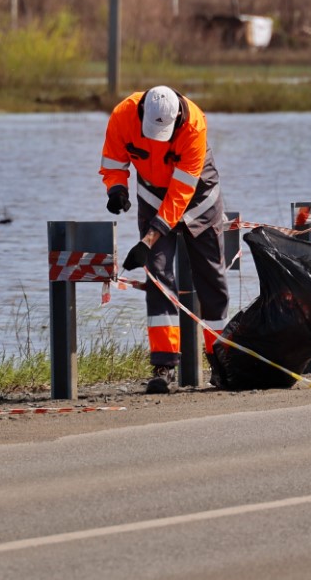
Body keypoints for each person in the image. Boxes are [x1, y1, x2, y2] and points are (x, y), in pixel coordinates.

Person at [99, 85, 229, 394]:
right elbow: (114, 161)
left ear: (178, 119)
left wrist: (147, 240)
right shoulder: (122, 115)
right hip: (151, 196)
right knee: (157, 277)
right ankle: (164, 366)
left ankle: (223, 361)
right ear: (141, 111)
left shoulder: (195, 124)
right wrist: (116, 189)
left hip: (199, 199)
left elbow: (181, 193)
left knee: (212, 280)